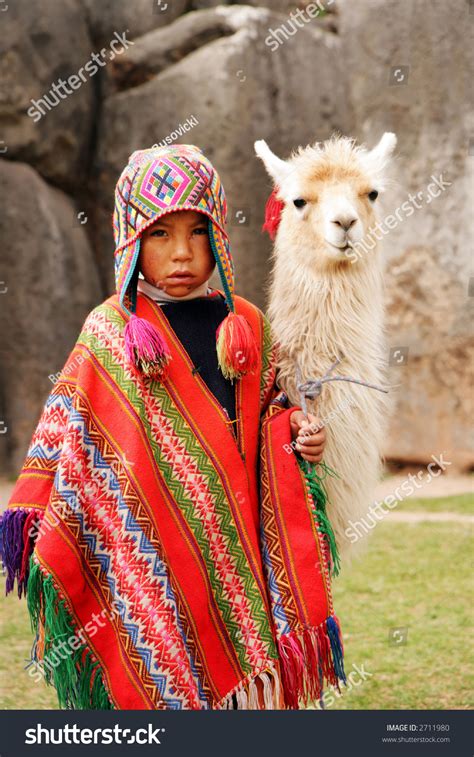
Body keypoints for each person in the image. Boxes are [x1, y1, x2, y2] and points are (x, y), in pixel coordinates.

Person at [1, 145, 345, 710]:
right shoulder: (111, 331)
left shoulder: (247, 325)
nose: (182, 253)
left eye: (197, 231)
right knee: (165, 674)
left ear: (218, 236)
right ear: (130, 239)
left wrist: (299, 434)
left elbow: (272, 416)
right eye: (160, 235)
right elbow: (76, 439)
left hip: (242, 555)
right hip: (151, 559)